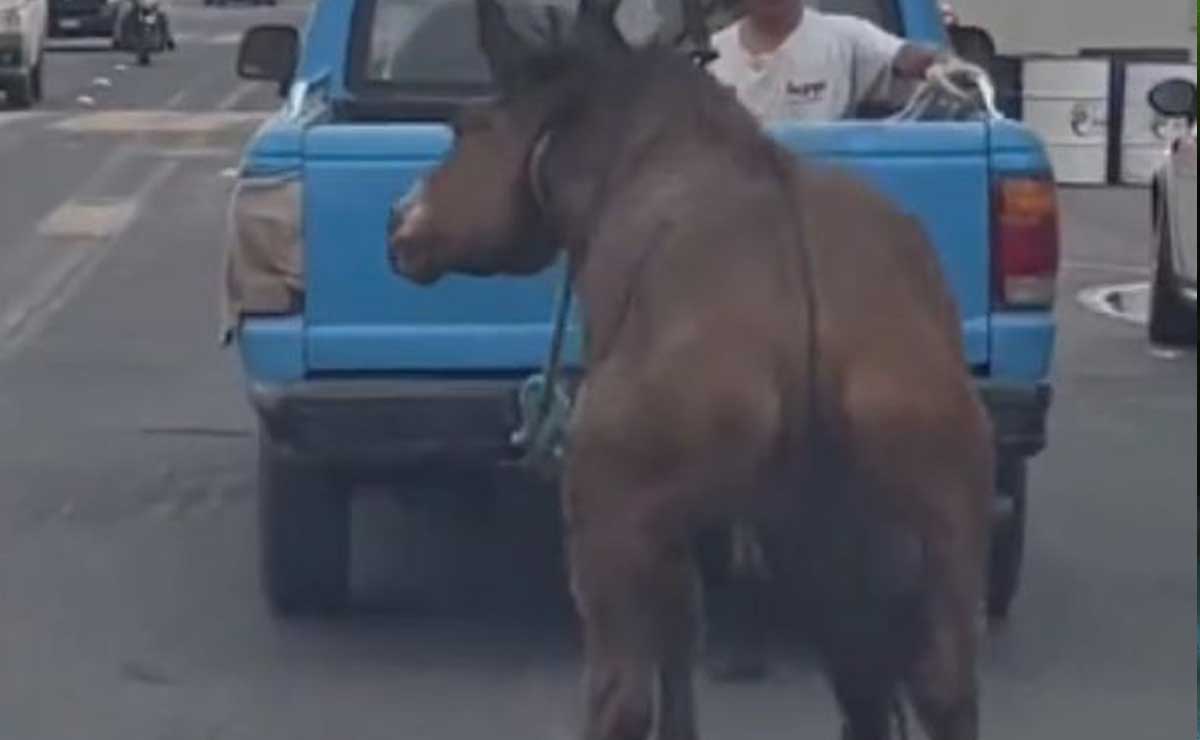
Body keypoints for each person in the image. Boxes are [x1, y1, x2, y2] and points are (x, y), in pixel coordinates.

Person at [707, 0, 945, 122]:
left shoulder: (847, 38)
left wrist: (938, 65)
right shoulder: (708, 57)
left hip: (821, 199)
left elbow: (904, 56)